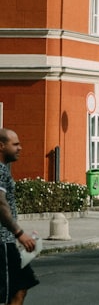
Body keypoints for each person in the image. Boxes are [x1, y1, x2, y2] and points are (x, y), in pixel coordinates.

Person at [0, 128, 39, 304]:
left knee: (22, 285)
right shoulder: (0, 170)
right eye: (15, 144)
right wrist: (19, 233)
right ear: (1, 146)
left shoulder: (4, 169)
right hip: (3, 243)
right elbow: (0, 205)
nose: (20, 148)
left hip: (8, 241)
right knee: (9, 292)